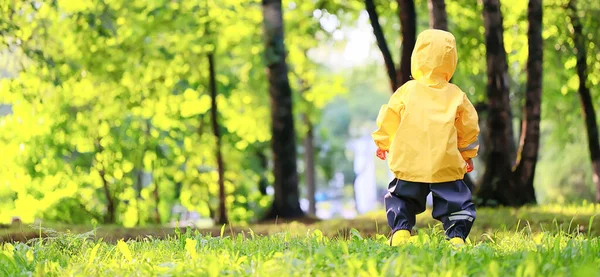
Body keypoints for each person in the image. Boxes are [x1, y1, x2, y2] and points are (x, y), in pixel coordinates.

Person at [372, 29, 480, 246]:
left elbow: (389, 116)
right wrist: (467, 154)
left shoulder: (406, 91)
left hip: (409, 161)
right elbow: (468, 127)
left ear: (417, 56)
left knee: (402, 197)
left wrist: (383, 142)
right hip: (446, 162)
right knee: (456, 202)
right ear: (451, 60)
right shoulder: (457, 95)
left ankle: (401, 233)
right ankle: (456, 237)